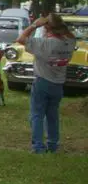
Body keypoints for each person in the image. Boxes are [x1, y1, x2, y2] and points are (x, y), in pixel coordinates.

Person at [16, 13, 76, 154]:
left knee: (37, 114)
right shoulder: (69, 43)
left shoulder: (44, 43)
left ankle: (38, 146)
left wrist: (35, 25)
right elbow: (71, 36)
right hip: (58, 83)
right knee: (52, 115)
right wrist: (60, 26)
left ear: (46, 27)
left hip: (43, 81)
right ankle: (53, 144)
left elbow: (20, 39)